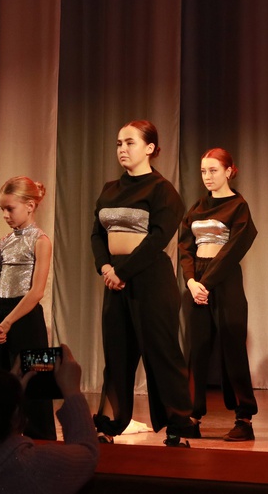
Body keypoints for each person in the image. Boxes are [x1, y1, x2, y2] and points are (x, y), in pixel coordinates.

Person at [91, 120, 197, 447]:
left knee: (161, 354)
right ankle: (109, 424)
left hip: (150, 280)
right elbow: (97, 234)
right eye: (119, 143)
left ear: (150, 148)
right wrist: (106, 267)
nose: (122, 149)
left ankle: (178, 426)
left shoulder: (162, 190)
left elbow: (157, 240)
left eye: (130, 142)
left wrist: (122, 272)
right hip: (114, 280)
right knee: (117, 355)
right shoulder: (110, 188)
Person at [178, 148, 259, 442]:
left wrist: (207, 283)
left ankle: (244, 419)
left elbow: (233, 250)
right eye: (203, 171)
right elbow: (185, 246)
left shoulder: (238, 206)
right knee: (195, 350)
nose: (207, 176)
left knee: (232, 348)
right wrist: (191, 281)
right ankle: (192, 416)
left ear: (228, 171)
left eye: (213, 170)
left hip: (224, 280)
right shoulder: (197, 207)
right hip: (196, 282)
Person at [0, 345, 99, 494]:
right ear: (17, 412)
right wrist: (72, 391)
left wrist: (6, 395)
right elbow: (88, 453)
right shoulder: (38, 465)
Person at [0, 176, 55, 440]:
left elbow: (37, 291)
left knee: (36, 385)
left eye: (10, 209)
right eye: (2, 209)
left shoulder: (41, 240)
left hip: (26, 318)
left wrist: (8, 322)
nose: (5, 215)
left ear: (30, 206)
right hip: (1, 317)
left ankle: (42, 439)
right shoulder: (3, 243)